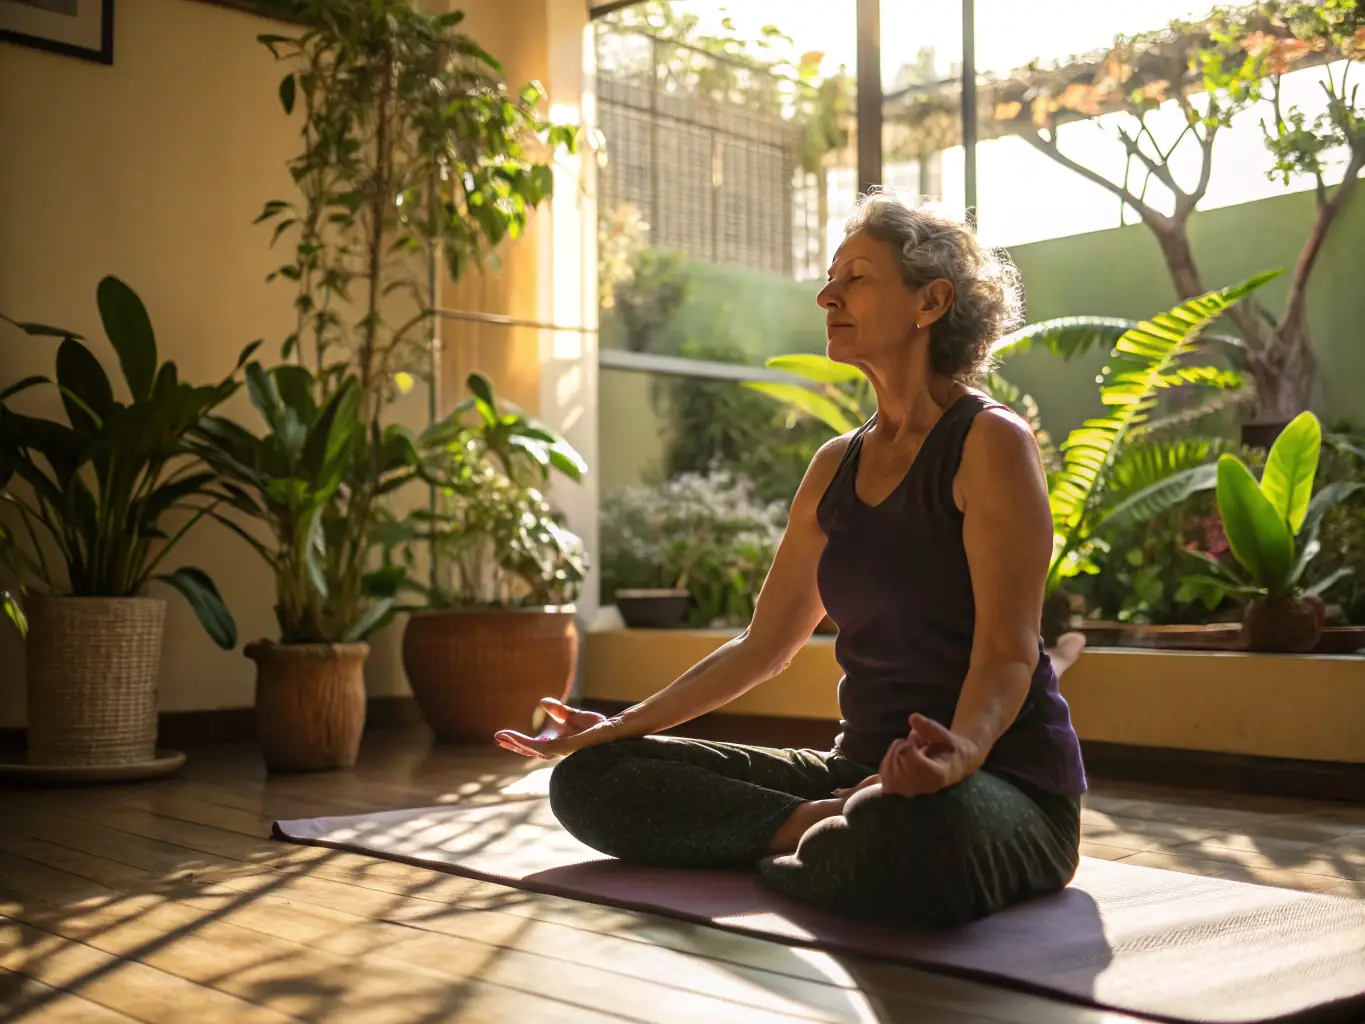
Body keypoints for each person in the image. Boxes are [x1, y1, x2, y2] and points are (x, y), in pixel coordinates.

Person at [496, 192, 1089, 929]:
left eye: (857, 278)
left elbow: (1006, 652)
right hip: (855, 775)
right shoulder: (834, 464)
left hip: (992, 783)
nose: (826, 295)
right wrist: (613, 727)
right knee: (590, 780)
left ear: (930, 301)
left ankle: (841, 834)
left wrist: (958, 755)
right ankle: (824, 827)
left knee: (915, 830)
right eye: (831, 277)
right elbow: (762, 646)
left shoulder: (988, 444)